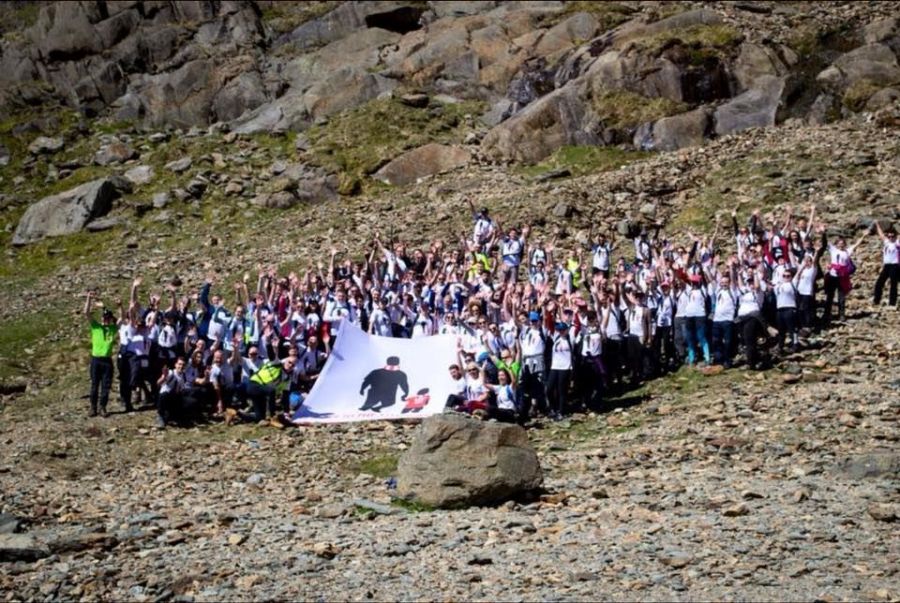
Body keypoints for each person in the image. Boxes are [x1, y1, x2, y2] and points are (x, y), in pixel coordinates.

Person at [84, 291, 117, 417]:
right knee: (94, 384)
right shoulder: (95, 326)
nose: (105, 320)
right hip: (96, 360)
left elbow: (121, 320)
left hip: (107, 361)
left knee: (106, 385)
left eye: (107, 318)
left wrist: (105, 308)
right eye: (103, 318)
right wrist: (89, 298)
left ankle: (102, 407)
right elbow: (86, 313)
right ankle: (93, 407)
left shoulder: (113, 329)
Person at [872, 224, 898, 308]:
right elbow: (881, 234)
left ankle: (892, 303)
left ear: (895, 236)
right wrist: (877, 225)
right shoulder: (886, 242)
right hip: (886, 266)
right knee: (879, 283)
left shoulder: (897, 242)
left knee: (893, 285)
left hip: (895, 266)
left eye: (892, 236)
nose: (890, 237)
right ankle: (876, 300)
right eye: (889, 236)